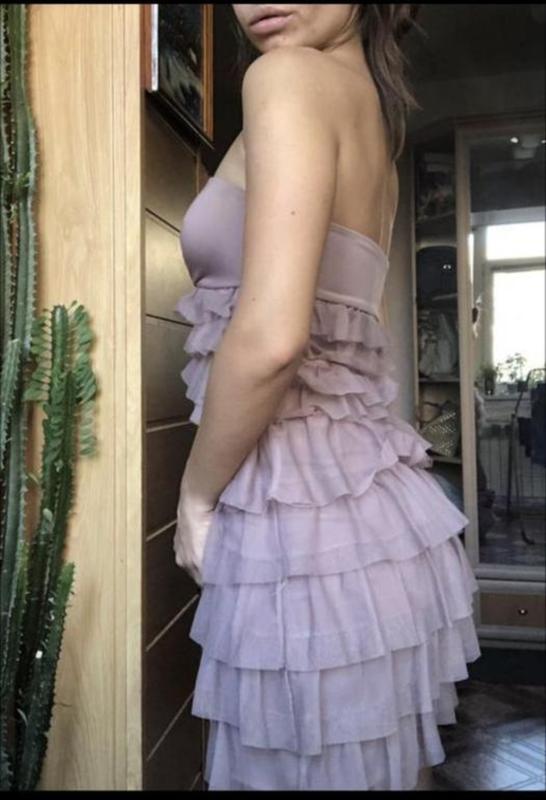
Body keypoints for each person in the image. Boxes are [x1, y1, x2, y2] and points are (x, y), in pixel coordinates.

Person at [172, 4, 481, 791]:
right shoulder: (371, 115)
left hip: (303, 540)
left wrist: (196, 497)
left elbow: (274, 337)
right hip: (375, 537)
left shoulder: (284, 77)